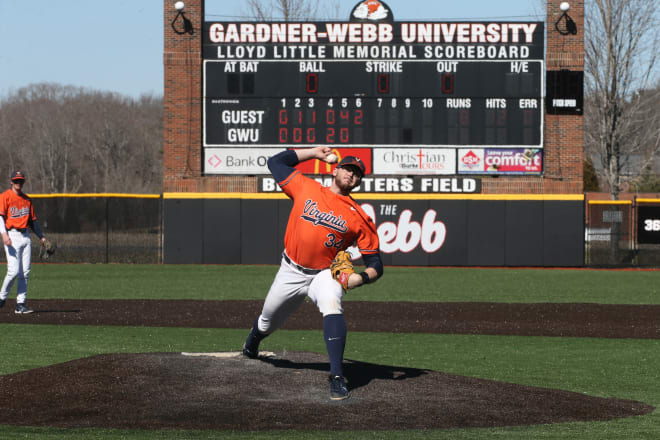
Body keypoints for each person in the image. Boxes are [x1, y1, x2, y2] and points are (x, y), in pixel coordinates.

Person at [242, 146, 384, 401]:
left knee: (332, 303)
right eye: (348, 168)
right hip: (290, 270)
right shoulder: (305, 187)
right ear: (335, 169)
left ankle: (338, 376)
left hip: (324, 273)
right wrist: (313, 153)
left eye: (357, 173)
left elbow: (376, 263)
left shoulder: (359, 217)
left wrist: (360, 278)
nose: (352, 175)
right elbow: (275, 162)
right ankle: (252, 342)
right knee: (267, 321)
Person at [0, 171, 47, 314]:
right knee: (13, 271)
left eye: (20, 181)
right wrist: (4, 234)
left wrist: (42, 237)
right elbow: (0, 217)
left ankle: (20, 304)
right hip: (12, 236)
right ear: (11, 182)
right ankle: (1, 299)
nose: (18, 183)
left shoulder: (27, 199)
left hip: (26, 236)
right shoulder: (5, 196)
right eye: (16, 181)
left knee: (25, 272)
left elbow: (33, 221)